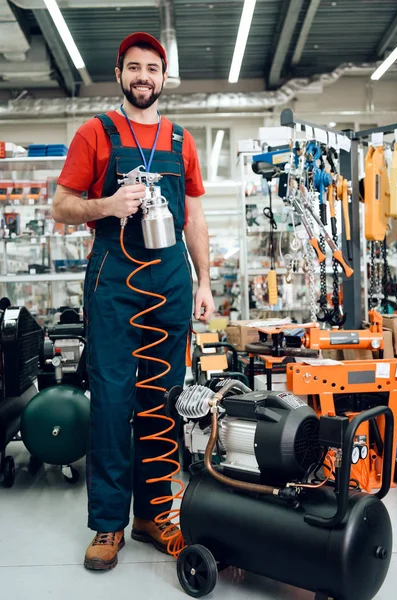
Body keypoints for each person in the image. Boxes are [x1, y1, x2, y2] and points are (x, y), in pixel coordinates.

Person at [52, 31, 214, 571]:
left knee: (163, 401)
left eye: (153, 68)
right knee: (114, 403)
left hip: (168, 284)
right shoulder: (95, 133)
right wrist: (106, 203)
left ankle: (153, 515)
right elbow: (61, 205)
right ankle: (107, 524)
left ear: (163, 78)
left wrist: (205, 282)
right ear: (119, 74)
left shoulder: (180, 140)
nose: (144, 76)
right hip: (113, 285)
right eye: (134, 67)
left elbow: (193, 216)